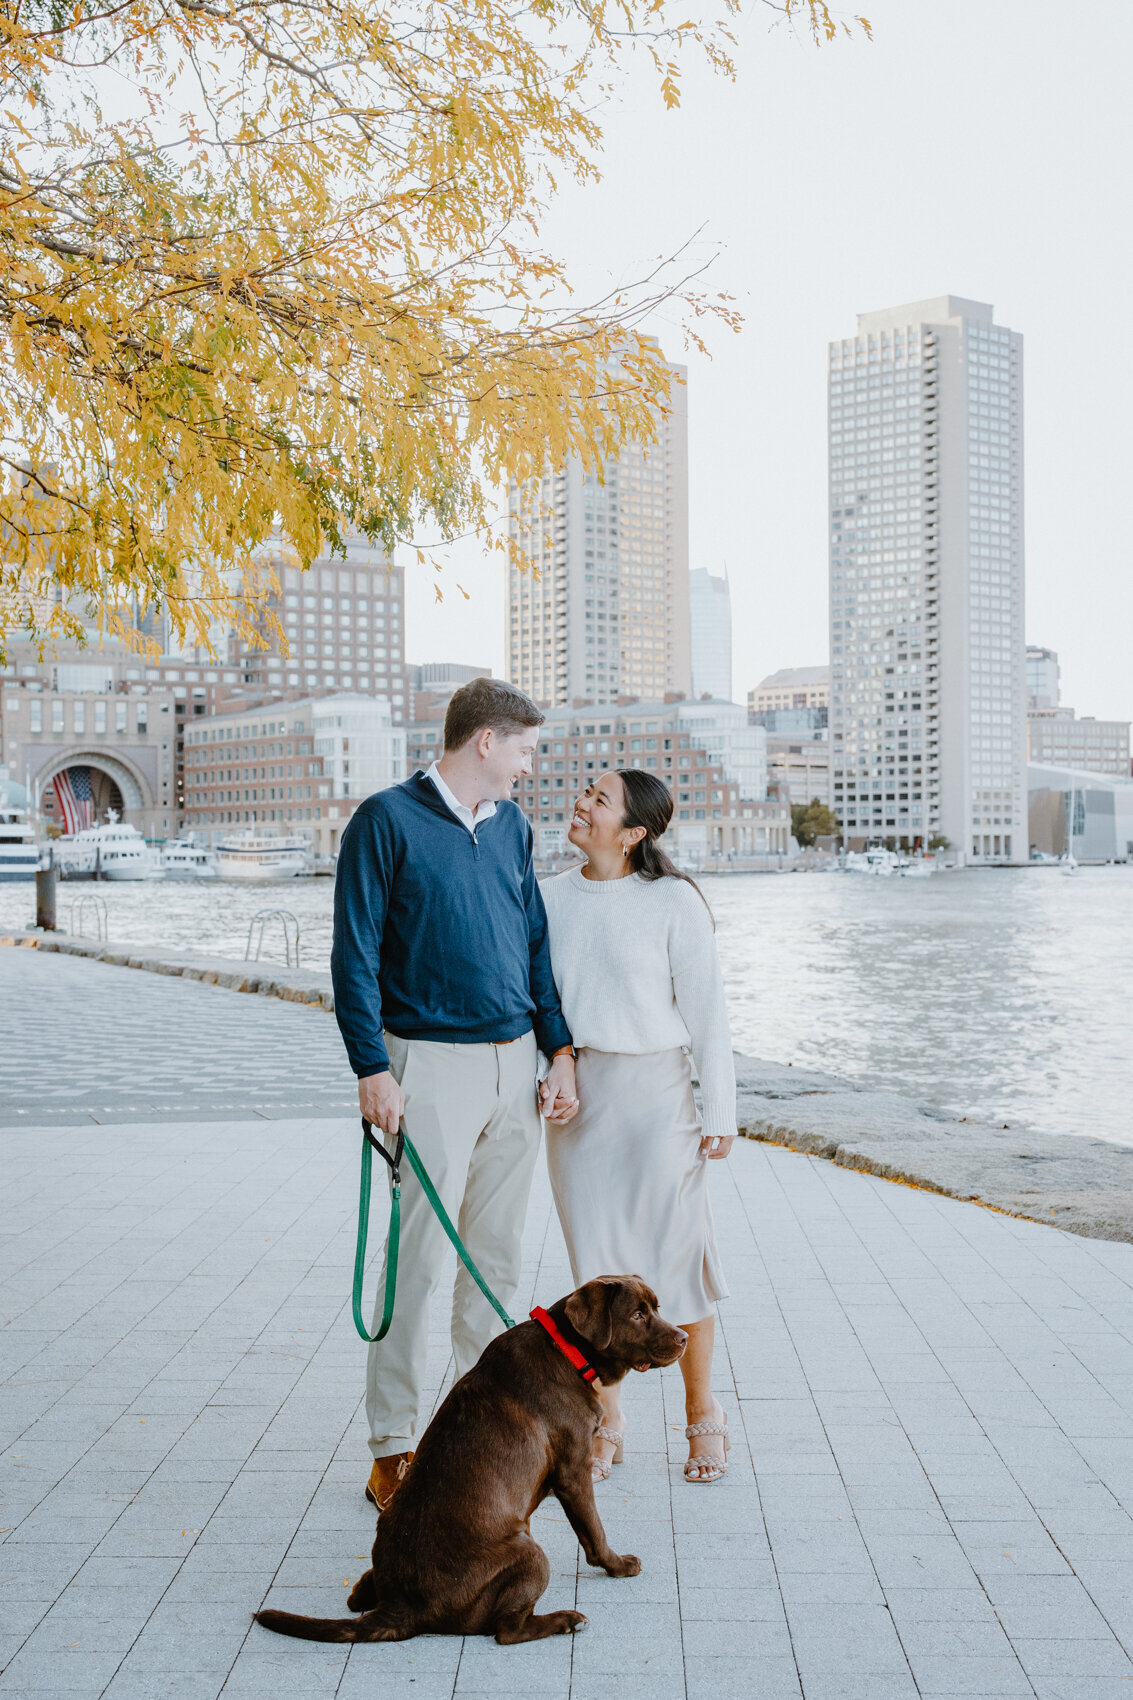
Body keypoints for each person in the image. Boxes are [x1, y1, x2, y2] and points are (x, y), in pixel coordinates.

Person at [331, 678, 580, 1513]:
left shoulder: (513, 826)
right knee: (419, 1262)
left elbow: (532, 940)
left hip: (516, 1062)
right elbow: (354, 951)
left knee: (496, 1267)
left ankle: (490, 1444)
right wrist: (372, 1068)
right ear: (485, 741)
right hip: (427, 1064)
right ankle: (392, 1448)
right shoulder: (386, 821)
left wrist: (559, 1050)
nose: (528, 764)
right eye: (524, 748)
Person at [541, 768, 736, 1484]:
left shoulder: (672, 901)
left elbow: (707, 1011)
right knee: (595, 1275)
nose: (581, 803)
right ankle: (607, 1418)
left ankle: (702, 1415)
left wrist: (719, 1111)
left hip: (657, 1096)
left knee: (678, 1261)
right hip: (580, 1100)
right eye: (584, 791)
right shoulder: (547, 898)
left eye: (599, 799)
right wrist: (552, 1066)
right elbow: (538, 1001)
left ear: (632, 833)